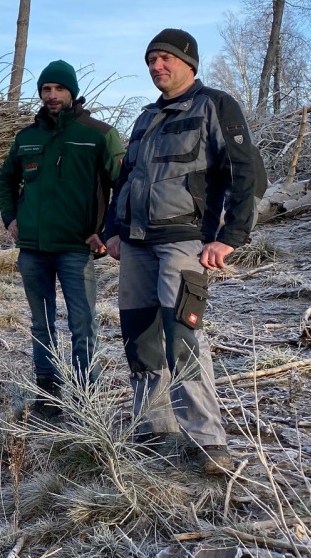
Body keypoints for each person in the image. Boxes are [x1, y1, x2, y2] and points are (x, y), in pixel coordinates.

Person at [104, 29, 266, 476]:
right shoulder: (143, 119)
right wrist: (112, 231)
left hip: (184, 240)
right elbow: (125, 181)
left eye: (166, 59)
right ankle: (153, 428)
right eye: (151, 60)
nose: (157, 66)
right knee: (139, 336)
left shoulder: (214, 105)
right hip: (135, 244)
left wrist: (231, 235)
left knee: (183, 335)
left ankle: (207, 439)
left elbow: (245, 172)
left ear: (189, 63)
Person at [0, 60, 124, 416]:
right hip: (33, 249)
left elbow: (123, 185)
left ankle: (86, 397)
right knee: (42, 323)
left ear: (73, 92)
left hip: (76, 248)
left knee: (83, 323)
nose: (52, 96)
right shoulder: (27, 138)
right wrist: (10, 218)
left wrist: (109, 230)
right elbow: (5, 180)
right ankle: (48, 394)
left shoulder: (99, 135)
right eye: (46, 90)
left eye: (59, 89)